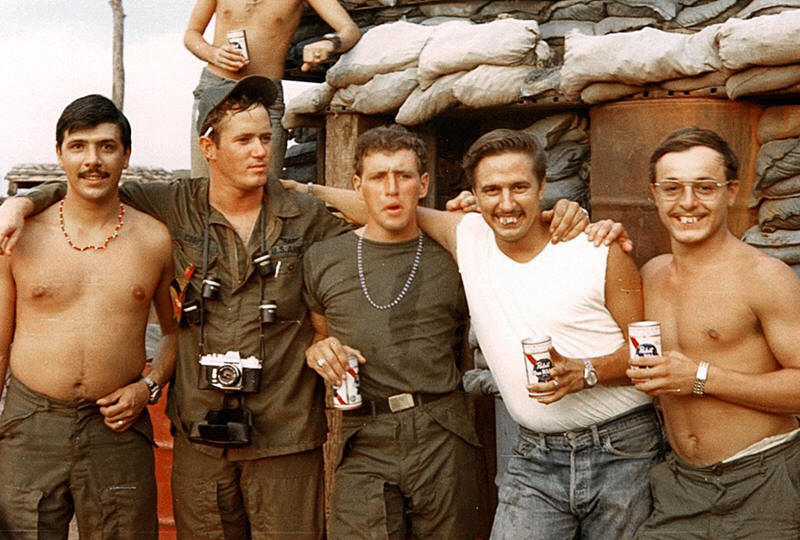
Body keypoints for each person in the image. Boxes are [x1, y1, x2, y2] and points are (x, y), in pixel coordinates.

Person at [290, 128, 661, 539]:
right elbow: (386, 206)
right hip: (537, 453)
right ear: (475, 197)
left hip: (621, 447)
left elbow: (650, 357)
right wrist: (301, 189)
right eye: (492, 190)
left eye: (519, 187)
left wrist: (585, 371)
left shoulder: (598, 249)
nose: (507, 203)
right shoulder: (470, 238)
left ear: (543, 187)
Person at [0, 95, 176, 538]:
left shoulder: (155, 239)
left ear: (126, 155)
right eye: (78, 146)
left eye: (106, 147)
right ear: (59, 154)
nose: (92, 160)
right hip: (30, 424)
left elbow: (178, 335)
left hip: (117, 426)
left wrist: (148, 387)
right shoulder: (20, 237)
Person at [302, 125, 480, 538]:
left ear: (423, 184)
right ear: (358, 186)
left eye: (403, 176)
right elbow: (318, 335)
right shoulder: (324, 258)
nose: (392, 189)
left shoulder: (455, 254)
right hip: (364, 435)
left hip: (441, 431)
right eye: (379, 177)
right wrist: (318, 352)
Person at [628, 127, 800, 539]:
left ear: (732, 192)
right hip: (681, 485)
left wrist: (701, 378)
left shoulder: (765, 276)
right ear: (654, 194)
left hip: (764, 480)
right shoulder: (650, 275)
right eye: (672, 188)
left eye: (704, 187)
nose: (687, 203)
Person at [184, 0, 361, 179]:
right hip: (214, 89)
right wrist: (213, 54)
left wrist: (329, 44)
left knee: (265, 184)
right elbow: (192, 34)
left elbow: (350, 30)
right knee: (203, 183)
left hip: (265, 95)